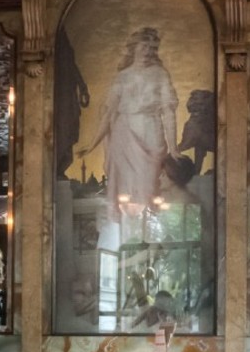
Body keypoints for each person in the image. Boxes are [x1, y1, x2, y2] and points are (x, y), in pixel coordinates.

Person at [78, 26, 183, 219]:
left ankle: (148, 228)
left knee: (150, 186)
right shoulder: (123, 77)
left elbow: (168, 111)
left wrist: (173, 147)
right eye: (145, 46)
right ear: (133, 47)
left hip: (152, 132)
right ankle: (127, 230)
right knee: (125, 191)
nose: (148, 52)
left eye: (153, 48)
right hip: (124, 136)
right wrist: (93, 145)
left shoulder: (160, 74)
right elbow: (109, 114)